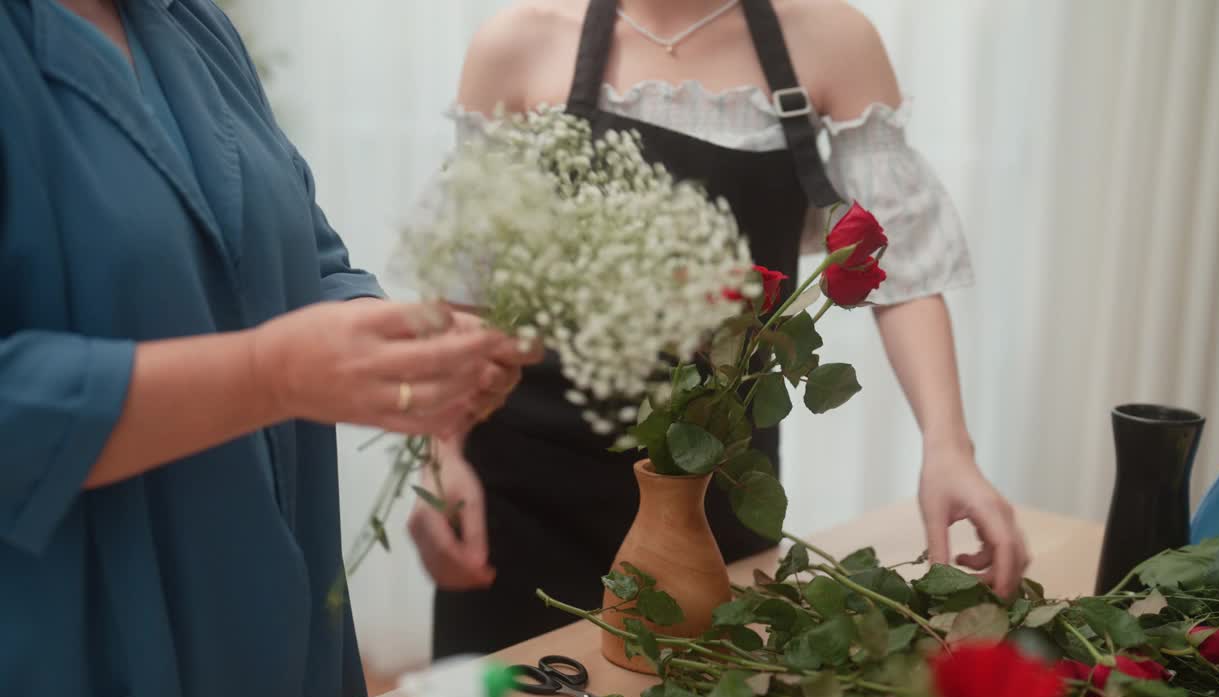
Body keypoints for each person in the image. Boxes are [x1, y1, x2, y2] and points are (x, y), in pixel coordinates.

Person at [412, 0, 1031, 659]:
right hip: (523, 498)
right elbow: (466, 295)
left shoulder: (829, 40)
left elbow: (900, 265)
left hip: (714, 491)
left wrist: (948, 448)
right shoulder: (519, 41)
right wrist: (439, 457)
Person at [0, 1, 538, 697]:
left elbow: (301, 255)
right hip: (77, 652)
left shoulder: (191, 24)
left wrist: (398, 346)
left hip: (281, 634)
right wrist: (269, 375)